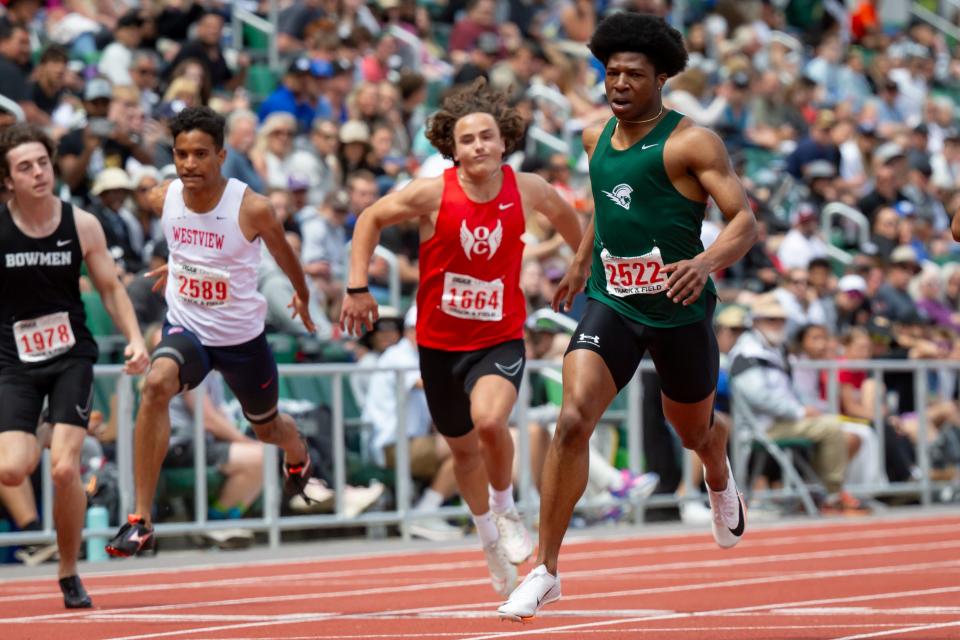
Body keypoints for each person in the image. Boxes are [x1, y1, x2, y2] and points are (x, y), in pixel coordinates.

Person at [498, 13, 759, 621]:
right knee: (572, 416)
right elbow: (608, 210)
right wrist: (579, 261)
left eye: (632, 75)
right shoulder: (594, 139)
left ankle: (717, 472)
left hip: (678, 310)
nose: (617, 84)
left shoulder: (692, 141)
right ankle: (547, 569)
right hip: (612, 301)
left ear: (661, 77)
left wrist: (704, 262)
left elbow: (744, 221)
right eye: (610, 73)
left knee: (691, 429)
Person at [340, 78, 583, 597]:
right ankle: (487, 538)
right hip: (438, 345)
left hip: (498, 337)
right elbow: (370, 217)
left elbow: (570, 219)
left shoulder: (528, 188)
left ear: (504, 141)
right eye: (467, 139)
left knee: (491, 423)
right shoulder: (433, 193)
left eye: (486, 137)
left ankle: (506, 508)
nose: (478, 146)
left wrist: (581, 269)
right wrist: (358, 286)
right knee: (463, 453)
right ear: (453, 147)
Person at [105, 106, 317, 558]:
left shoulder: (253, 207)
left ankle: (297, 452)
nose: (188, 164)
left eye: (200, 154)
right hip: (189, 328)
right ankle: (140, 521)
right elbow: (182, 239)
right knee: (156, 384)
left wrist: (301, 294)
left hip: (241, 339)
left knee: (268, 431)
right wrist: (178, 265)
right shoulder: (164, 197)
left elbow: (284, 256)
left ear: (221, 155)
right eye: (181, 154)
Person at [0, 123, 150, 608]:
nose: (39, 173)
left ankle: (68, 572)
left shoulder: (81, 223)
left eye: (43, 161)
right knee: (11, 470)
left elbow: (110, 288)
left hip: (70, 356)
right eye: (25, 167)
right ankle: (43, 430)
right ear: (8, 180)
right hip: (14, 361)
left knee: (66, 470)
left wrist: (133, 339)